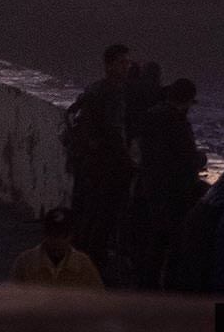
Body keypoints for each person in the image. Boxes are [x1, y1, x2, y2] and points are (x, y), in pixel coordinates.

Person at [66, 43, 136, 277]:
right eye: (122, 63)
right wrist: (128, 161)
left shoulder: (94, 89)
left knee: (88, 215)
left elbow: (72, 116)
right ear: (109, 65)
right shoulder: (113, 93)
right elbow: (115, 132)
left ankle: (82, 261)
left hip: (87, 163)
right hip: (105, 166)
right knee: (103, 217)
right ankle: (93, 267)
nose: (126, 67)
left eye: (127, 63)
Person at [130, 78, 208, 288]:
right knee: (175, 245)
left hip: (150, 187)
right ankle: (171, 290)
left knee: (154, 243)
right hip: (174, 193)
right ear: (187, 101)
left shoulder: (151, 116)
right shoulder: (176, 122)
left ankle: (147, 286)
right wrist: (201, 159)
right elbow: (186, 158)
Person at [10, 207, 104, 287]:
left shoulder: (83, 265)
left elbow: (98, 301)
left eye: (62, 234)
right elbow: (13, 300)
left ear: (71, 235)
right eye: (52, 234)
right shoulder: (25, 262)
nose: (57, 240)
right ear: (44, 234)